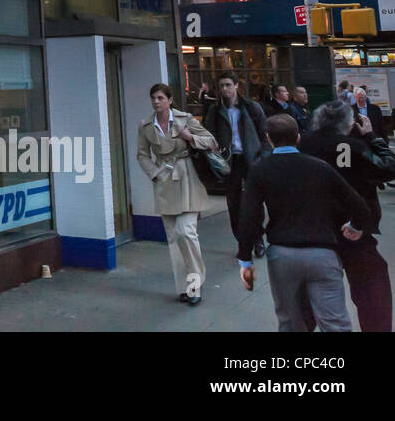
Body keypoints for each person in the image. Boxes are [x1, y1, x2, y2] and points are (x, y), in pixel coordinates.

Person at [238, 114, 371, 332]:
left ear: (268, 138)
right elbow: (359, 206)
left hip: (282, 255)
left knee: (289, 322)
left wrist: (245, 259)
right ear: (298, 137)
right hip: (323, 253)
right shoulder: (320, 167)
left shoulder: (261, 170)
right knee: (336, 323)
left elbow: (249, 216)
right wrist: (355, 226)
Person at [301, 101, 395, 331]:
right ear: (349, 122)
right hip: (353, 227)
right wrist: (372, 136)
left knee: (309, 290)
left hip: (314, 229)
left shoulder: (304, 143)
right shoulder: (353, 146)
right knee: (372, 290)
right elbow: (388, 167)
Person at [136, 83, 218, 305]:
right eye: (153, 97)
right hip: (164, 181)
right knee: (173, 237)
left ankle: (195, 285)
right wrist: (155, 174)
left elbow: (212, 142)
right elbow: (142, 154)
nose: (156, 101)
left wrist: (190, 137)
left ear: (170, 100)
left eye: (161, 97)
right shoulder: (145, 125)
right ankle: (185, 288)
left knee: (186, 232)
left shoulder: (185, 119)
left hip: (187, 178)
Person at [203, 71, 272, 255]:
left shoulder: (251, 107)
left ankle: (258, 240)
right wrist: (213, 151)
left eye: (228, 85)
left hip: (251, 159)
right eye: (221, 86)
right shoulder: (215, 111)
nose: (224, 89)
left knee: (254, 202)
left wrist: (263, 157)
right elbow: (207, 135)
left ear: (236, 86)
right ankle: (243, 243)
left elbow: (265, 136)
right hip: (229, 162)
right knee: (234, 205)